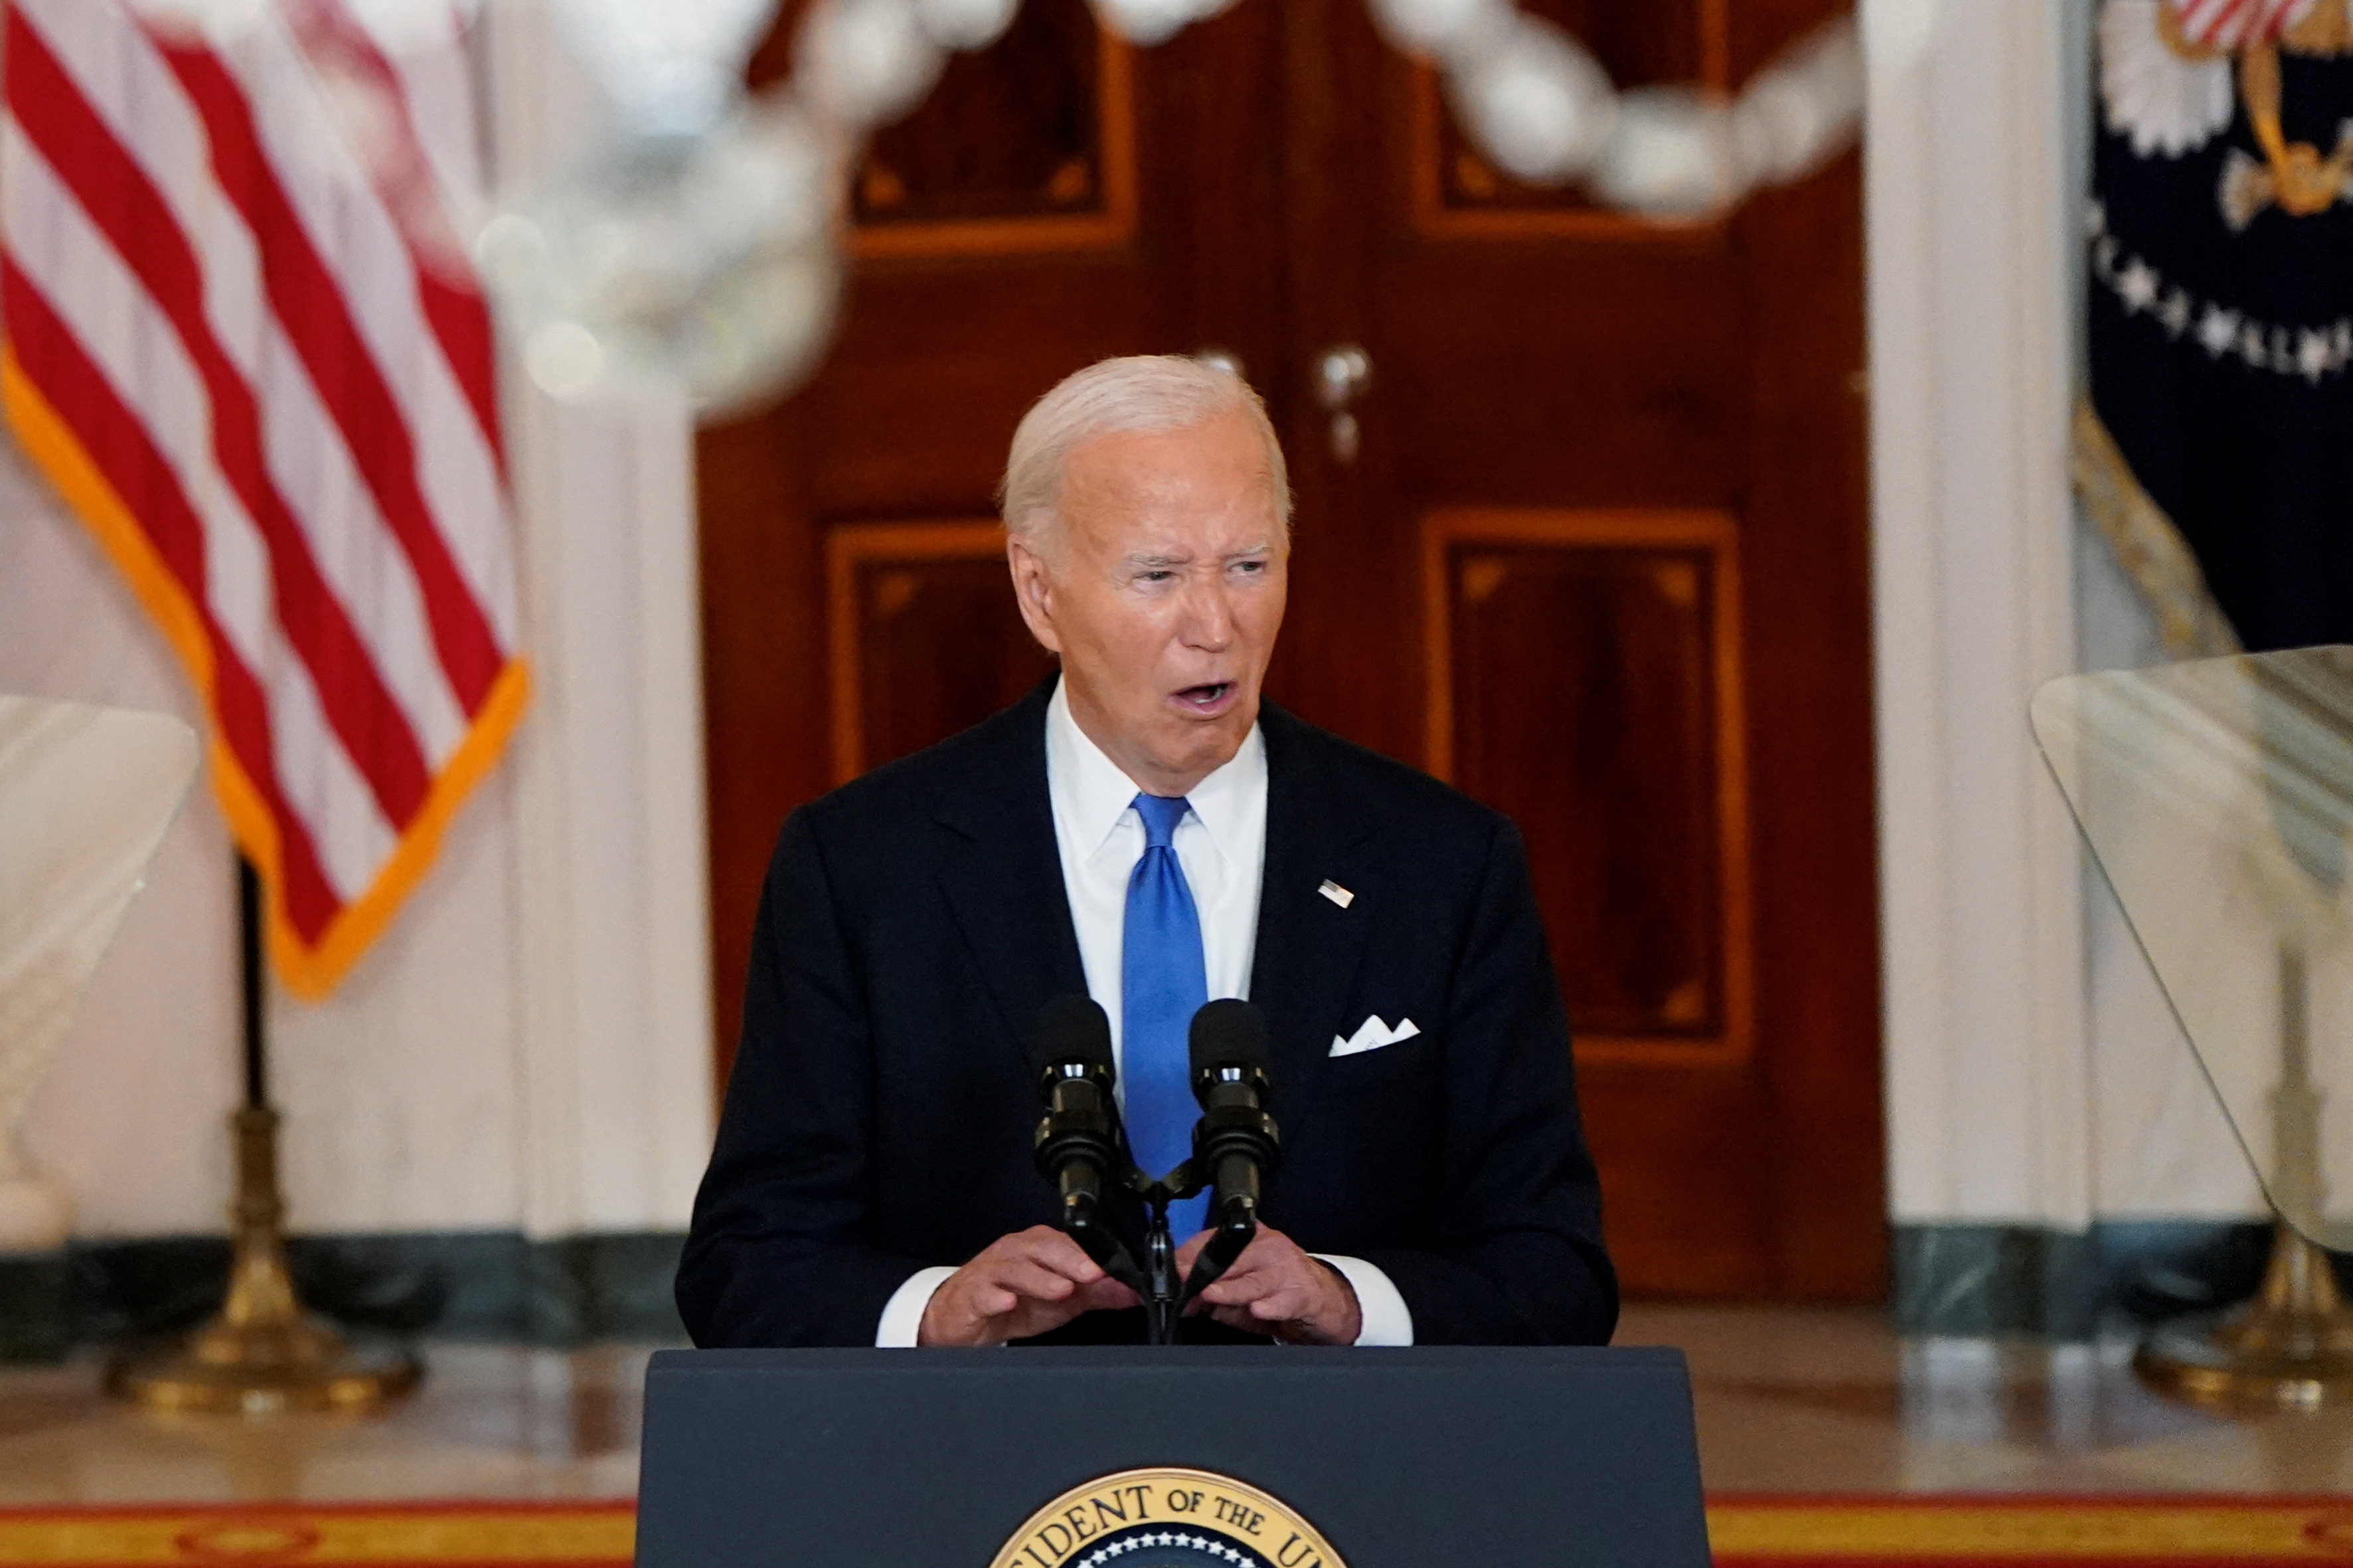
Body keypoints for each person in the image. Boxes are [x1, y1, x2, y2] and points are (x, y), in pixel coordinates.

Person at [677, 355, 1615, 1348]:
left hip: (1326, 1434)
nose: (1215, 626)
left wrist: (1347, 1301)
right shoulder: (864, 868)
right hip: (1000, 1434)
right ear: (1039, 592)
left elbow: (1554, 1267)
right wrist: (938, 1312)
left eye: (1249, 566)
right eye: (1159, 576)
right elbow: (748, 1262)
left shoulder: (1442, 864)